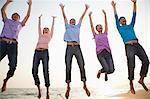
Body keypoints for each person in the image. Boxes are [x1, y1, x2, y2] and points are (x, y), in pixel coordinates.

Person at [111, 0, 149, 94]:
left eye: (124, 19)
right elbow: (115, 17)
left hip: (137, 45)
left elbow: (134, 15)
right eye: (121, 19)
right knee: (131, 64)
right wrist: (114, 7)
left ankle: (141, 79)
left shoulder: (131, 25)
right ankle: (131, 84)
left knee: (146, 61)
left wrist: (134, 3)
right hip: (129, 47)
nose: (123, 20)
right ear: (119, 22)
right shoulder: (119, 27)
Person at [59, 3, 90, 98]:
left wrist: (85, 9)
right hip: (69, 47)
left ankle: (84, 85)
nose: (72, 21)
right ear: (69, 22)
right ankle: (68, 87)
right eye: (71, 20)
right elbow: (64, 17)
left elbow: (82, 17)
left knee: (82, 64)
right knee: (68, 66)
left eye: (73, 20)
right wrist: (62, 9)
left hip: (77, 47)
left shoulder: (77, 26)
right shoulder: (67, 26)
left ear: (75, 22)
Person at [0, 0, 32, 92]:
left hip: (13, 45)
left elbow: (28, 16)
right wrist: (7, 2)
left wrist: (30, 5)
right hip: (2, 43)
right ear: (11, 17)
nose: (15, 16)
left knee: (13, 65)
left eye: (17, 16)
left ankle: (6, 80)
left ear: (19, 18)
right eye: (13, 15)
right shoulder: (7, 21)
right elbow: (2, 10)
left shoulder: (20, 24)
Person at [32, 15, 56, 99]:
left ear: (49, 31)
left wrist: (53, 20)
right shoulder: (40, 35)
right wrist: (39, 19)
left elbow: (52, 28)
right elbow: (39, 27)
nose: (45, 30)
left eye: (47, 29)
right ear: (43, 31)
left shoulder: (50, 36)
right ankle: (39, 89)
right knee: (34, 70)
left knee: (45, 71)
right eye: (44, 29)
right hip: (37, 52)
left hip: (45, 52)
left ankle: (47, 91)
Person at [88, 10, 115, 81]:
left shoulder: (105, 33)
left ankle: (106, 73)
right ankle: (100, 71)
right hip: (100, 53)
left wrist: (105, 15)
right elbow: (91, 26)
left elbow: (106, 24)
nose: (100, 27)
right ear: (96, 29)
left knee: (111, 70)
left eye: (101, 26)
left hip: (108, 52)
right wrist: (90, 16)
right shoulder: (95, 35)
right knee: (106, 68)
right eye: (98, 27)